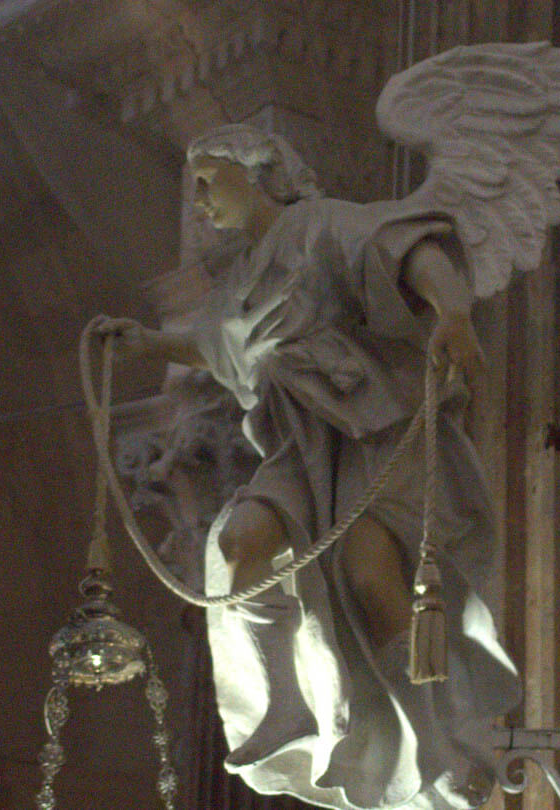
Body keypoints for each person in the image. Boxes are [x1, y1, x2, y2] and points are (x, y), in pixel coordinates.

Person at [95, 124, 520, 810]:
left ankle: (436, 740)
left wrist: (456, 310)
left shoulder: (320, 226)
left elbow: (404, 249)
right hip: (295, 447)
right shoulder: (239, 279)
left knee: (370, 576)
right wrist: (151, 344)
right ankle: (291, 719)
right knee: (239, 550)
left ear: (259, 171)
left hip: (369, 435)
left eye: (209, 182)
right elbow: (223, 345)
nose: (200, 202)